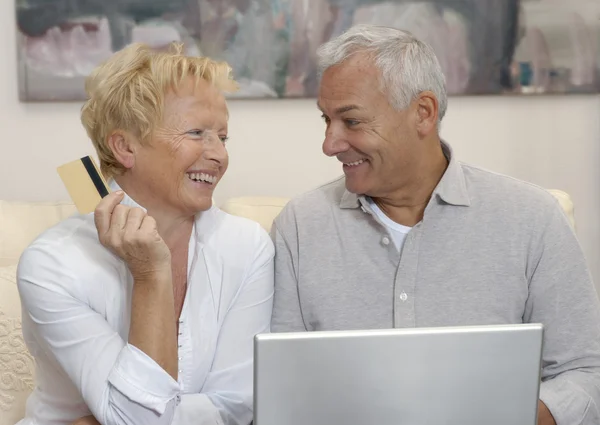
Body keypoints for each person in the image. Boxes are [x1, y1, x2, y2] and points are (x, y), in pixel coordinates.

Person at [270, 24, 600, 425]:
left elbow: (585, 374)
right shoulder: (301, 226)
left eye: (351, 121)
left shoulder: (532, 217)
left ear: (422, 113)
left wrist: (510, 416)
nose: (329, 143)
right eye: (326, 119)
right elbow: (280, 390)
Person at [17, 42, 274, 425]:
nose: (218, 155)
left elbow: (236, 406)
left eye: (222, 137)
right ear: (124, 146)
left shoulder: (247, 245)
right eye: (196, 132)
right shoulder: (53, 264)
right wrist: (151, 275)